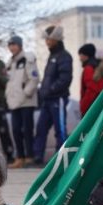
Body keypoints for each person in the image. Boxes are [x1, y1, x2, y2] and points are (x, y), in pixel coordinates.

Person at [32, 25, 73, 165]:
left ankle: (61, 160)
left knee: (60, 130)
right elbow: (48, 78)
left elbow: (65, 79)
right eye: (46, 39)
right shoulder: (52, 55)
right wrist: (43, 92)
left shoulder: (64, 56)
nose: (47, 42)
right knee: (41, 128)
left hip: (58, 99)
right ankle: (37, 157)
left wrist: (51, 90)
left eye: (49, 39)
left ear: (56, 39)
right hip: (47, 100)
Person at [5, 35, 39, 169]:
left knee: (27, 130)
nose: (12, 47)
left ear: (20, 45)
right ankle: (20, 157)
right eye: (10, 45)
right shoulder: (10, 63)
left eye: (14, 44)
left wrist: (26, 93)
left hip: (26, 102)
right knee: (15, 130)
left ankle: (29, 157)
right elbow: (10, 82)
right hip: (14, 102)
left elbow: (34, 79)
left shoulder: (27, 59)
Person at [78, 43, 103, 117]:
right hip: (100, 105)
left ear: (86, 55)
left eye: (81, 55)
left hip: (91, 107)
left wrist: (83, 107)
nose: (80, 58)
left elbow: (91, 89)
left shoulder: (89, 69)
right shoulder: (99, 68)